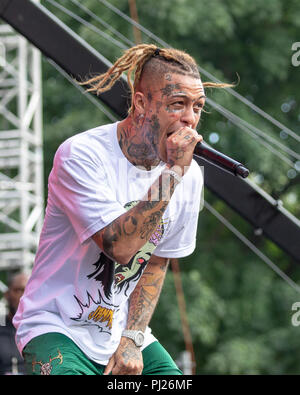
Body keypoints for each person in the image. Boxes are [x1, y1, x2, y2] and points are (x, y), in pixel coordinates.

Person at [13, 44, 229, 375]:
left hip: (119, 330)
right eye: (177, 105)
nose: (190, 118)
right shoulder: (82, 155)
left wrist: (131, 337)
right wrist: (172, 173)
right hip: (55, 326)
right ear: (141, 103)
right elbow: (122, 247)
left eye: (198, 107)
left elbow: (157, 261)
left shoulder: (190, 175)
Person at [0, 272, 28, 375]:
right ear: (7, 294)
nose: (23, 296)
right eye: (18, 290)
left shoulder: (43, 331)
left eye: (27, 290)